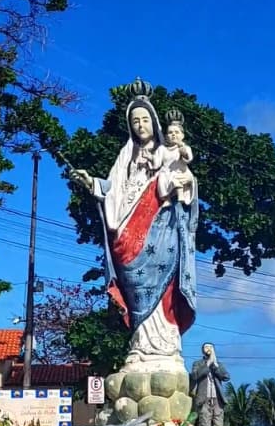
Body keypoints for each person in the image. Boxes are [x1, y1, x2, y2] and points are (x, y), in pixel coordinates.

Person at [70, 78, 198, 371]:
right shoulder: (126, 156)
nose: (140, 125)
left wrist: (175, 181)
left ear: (154, 122)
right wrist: (91, 182)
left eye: (144, 119)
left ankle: (166, 347)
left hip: (161, 228)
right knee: (136, 290)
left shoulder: (167, 151)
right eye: (135, 121)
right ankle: (140, 344)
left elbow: (185, 178)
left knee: (164, 286)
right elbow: (112, 188)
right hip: (128, 233)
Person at [190, 342, 229, 426]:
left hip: (218, 399)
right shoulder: (198, 363)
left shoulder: (218, 364)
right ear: (202, 351)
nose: (208, 349)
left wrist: (215, 366)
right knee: (204, 425)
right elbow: (194, 376)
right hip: (204, 399)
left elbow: (226, 377)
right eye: (206, 347)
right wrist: (207, 364)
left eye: (210, 347)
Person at [162, 109, 195, 205]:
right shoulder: (163, 150)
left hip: (180, 174)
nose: (173, 134)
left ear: (182, 135)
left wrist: (183, 152)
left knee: (176, 179)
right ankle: (166, 198)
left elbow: (188, 158)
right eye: (170, 132)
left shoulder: (184, 147)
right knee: (161, 179)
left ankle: (181, 196)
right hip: (165, 175)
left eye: (176, 132)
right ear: (166, 136)